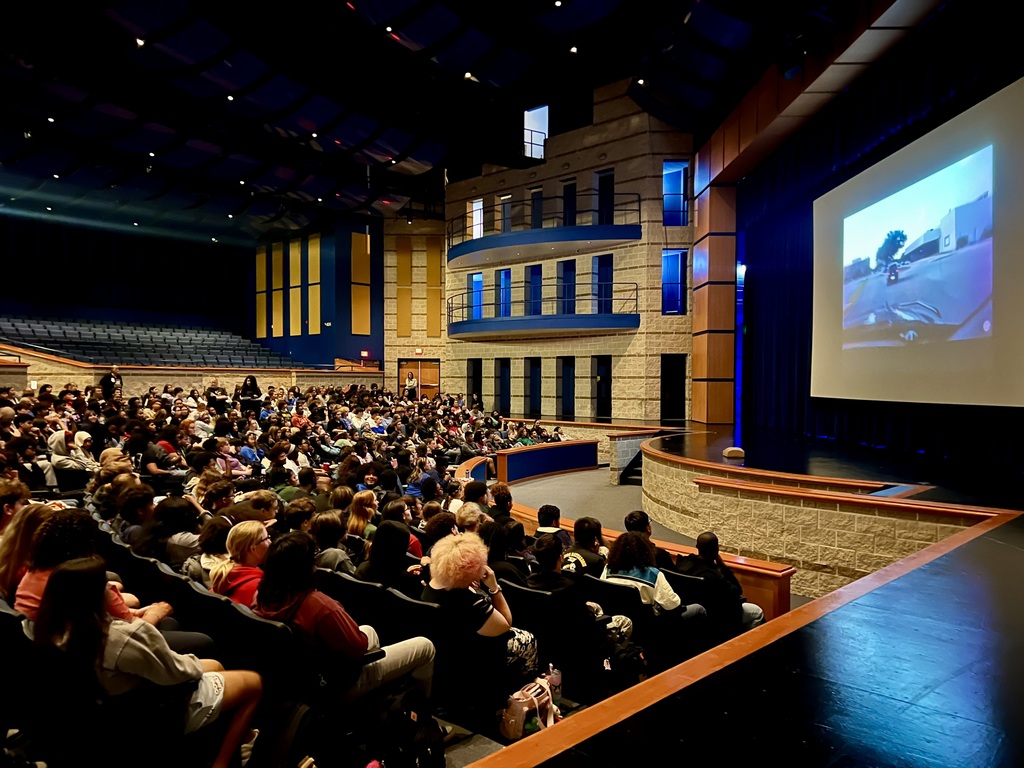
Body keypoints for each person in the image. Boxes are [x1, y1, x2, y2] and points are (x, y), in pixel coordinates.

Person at [30, 556, 262, 768]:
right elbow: (179, 673)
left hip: (101, 714)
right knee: (253, 682)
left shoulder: (48, 630)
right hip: (152, 715)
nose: (111, 588)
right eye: (104, 585)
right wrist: (193, 663)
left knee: (214, 665)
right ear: (93, 596)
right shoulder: (120, 636)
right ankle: (221, 762)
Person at [254, 531, 436, 704]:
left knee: (369, 630)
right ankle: (421, 713)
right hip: (339, 684)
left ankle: (379, 699)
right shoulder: (319, 606)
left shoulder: (262, 597)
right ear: (306, 566)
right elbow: (358, 647)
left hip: (301, 678)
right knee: (425, 646)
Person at [422, 532, 538, 684]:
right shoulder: (470, 603)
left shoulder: (431, 586)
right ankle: (522, 688)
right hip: (474, 657)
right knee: (528, 639)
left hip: (446, 653)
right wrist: (494, 588)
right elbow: (505, 623)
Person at [675, 531, 765, 634]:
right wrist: (722, 565)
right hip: (718, 617)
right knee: (757, 612)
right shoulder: (715, 577)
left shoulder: (682, 563)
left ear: (697, 546)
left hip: (695, 610)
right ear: (716, 550)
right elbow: (737, 591)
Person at [355, 519, 425, 599]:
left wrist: (406, 573)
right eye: (406, 545)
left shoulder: (362, 569)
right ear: (399, 549)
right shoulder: (408, 584)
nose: (408, 547)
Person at [209, 521, 269, 607]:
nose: (270, 542)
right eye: (267, 538)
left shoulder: (223, 576)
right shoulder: (259, 588)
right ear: (253, 549)